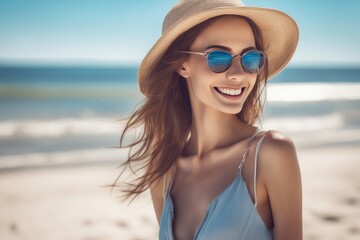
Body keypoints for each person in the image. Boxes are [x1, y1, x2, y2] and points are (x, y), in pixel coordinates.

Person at [114, 0, 302, 239]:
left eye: (250, 58)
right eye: (218, 57)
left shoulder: (271, 153)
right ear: (183, 64)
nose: (237, 74)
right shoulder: (163, 168)